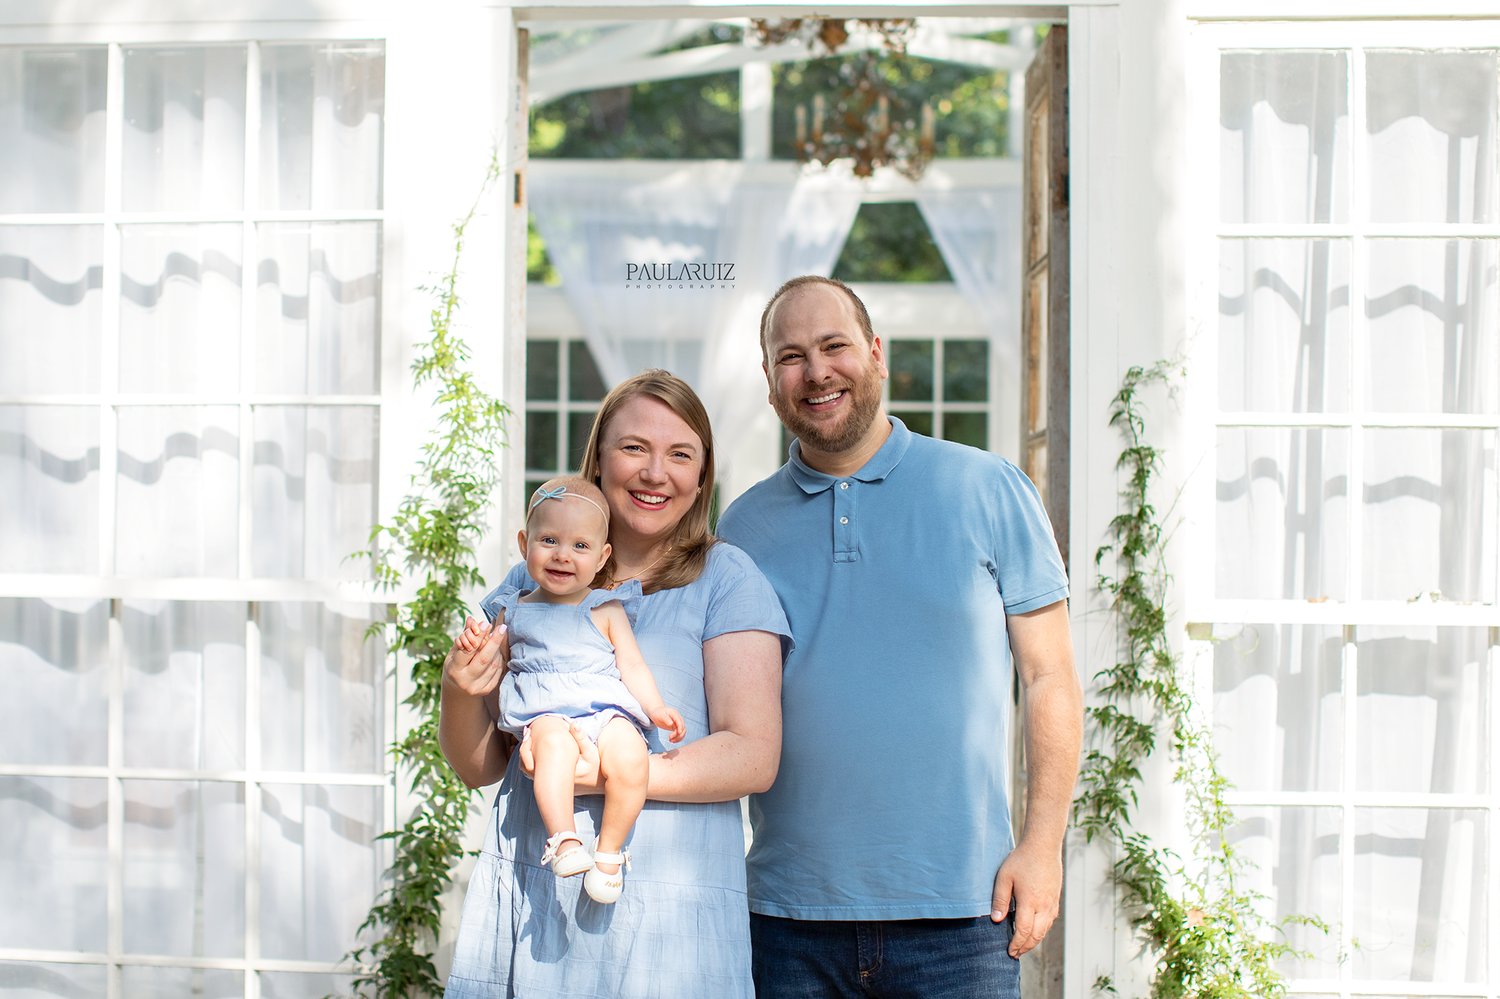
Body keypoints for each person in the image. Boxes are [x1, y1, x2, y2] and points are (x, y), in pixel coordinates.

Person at [716, 275, 1084, 999]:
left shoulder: (987, 487)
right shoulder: (741, 529)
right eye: (791, 356)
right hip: (788, 922)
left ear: (876, 355)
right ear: (768, 382)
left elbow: (1051, 678)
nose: (817, 371)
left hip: (963, 918)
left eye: (834, 346)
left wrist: (1043, 847)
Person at [440, 370, 790, 998]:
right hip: (538, 897)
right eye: (634, 448)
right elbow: (479, 764)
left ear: (702, 478)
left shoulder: (725, 579)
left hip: (671, 924)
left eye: (680, 454)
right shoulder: (531, 580)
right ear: (597, 459)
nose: (656, 473)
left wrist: (599, 772)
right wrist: (458, 690)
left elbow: (752, 756)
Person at [453, 474, 687, 904]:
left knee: (633, 756)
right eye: (549, 540)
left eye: (580, 546)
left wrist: (655, 709)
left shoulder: (607, 608)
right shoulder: (515, 609)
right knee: (553, 751)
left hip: (606, 712)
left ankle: (610, 855)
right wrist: (473, 649)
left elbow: (630, 664)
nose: (563, 555)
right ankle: (563, 839)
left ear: (602, 556)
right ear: (524, 545)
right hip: (545, 714)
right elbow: (491, 665)